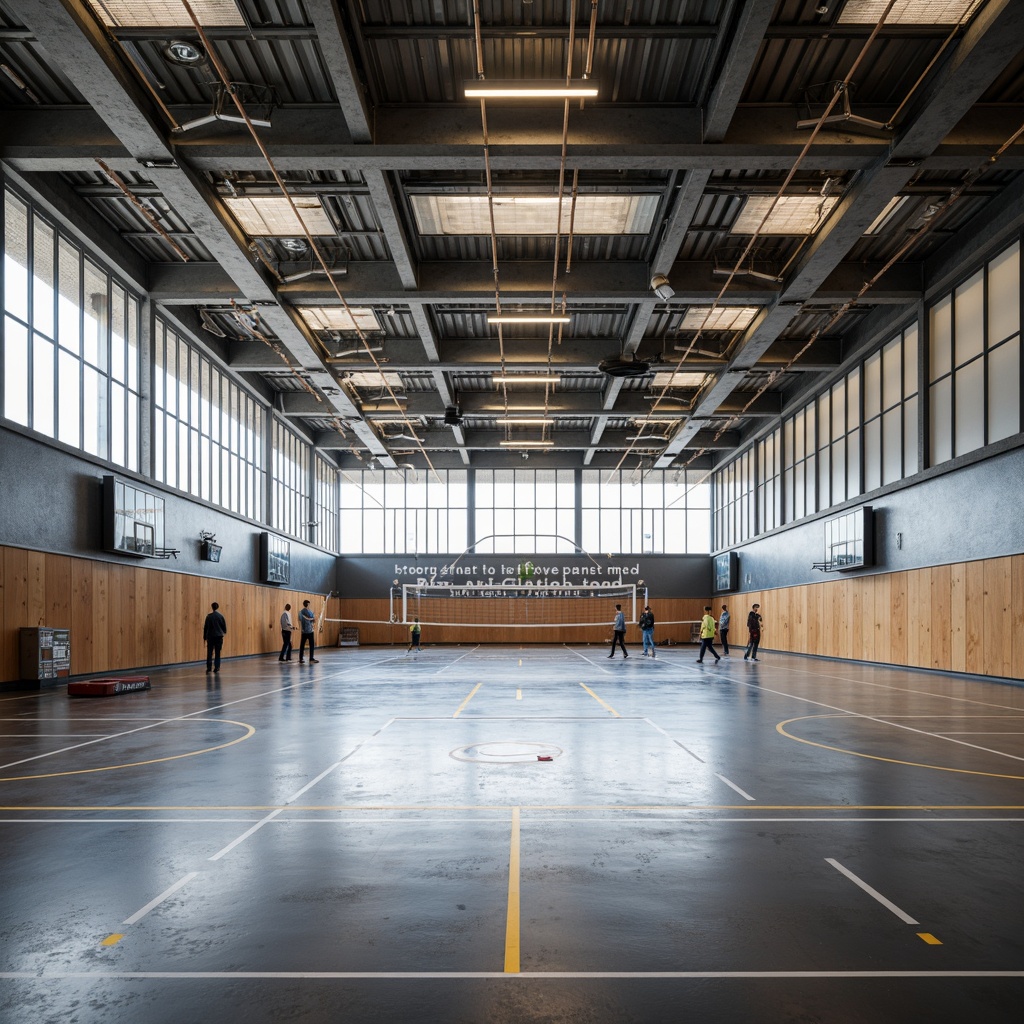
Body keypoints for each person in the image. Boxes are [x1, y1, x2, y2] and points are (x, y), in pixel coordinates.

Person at [203, 602, 227, 674]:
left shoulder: (209, 617)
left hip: (210, 637)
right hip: (218, 637)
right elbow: (224, 628)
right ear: (217, 607)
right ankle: (216, 667)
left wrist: (204, 637)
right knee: (217, 652)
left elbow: (205, 627)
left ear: (212, 607)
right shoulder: (221, 616)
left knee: (209, 652)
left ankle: (209, 667)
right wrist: (222, 632)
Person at [298, 599, 318, 663]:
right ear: (308, 604)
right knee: (311, 645)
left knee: (302, 645)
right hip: (309, 631)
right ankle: (311, 658)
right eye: (309, 604)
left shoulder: (300, 612)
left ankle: (301, 658)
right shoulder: (310, 612)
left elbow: (299, 620)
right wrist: (313, 619)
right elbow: (313, 620)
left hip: (303, 631)